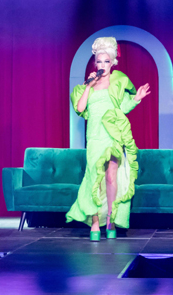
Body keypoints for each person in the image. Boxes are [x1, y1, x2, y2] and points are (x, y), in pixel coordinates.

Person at [66, 37, 150, 241]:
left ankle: (111, 221)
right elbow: (80, 108)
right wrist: (88, 86)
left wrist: (136, 99)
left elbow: (122, 109)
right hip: (95, 137)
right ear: (95, 64)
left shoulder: (118, 82)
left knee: (112, 177)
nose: (102, 65)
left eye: (106, 61)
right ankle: (95, 223)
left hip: (113, 135)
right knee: (94, 179)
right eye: (99, 61)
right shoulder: (87, 85)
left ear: (112, 63)